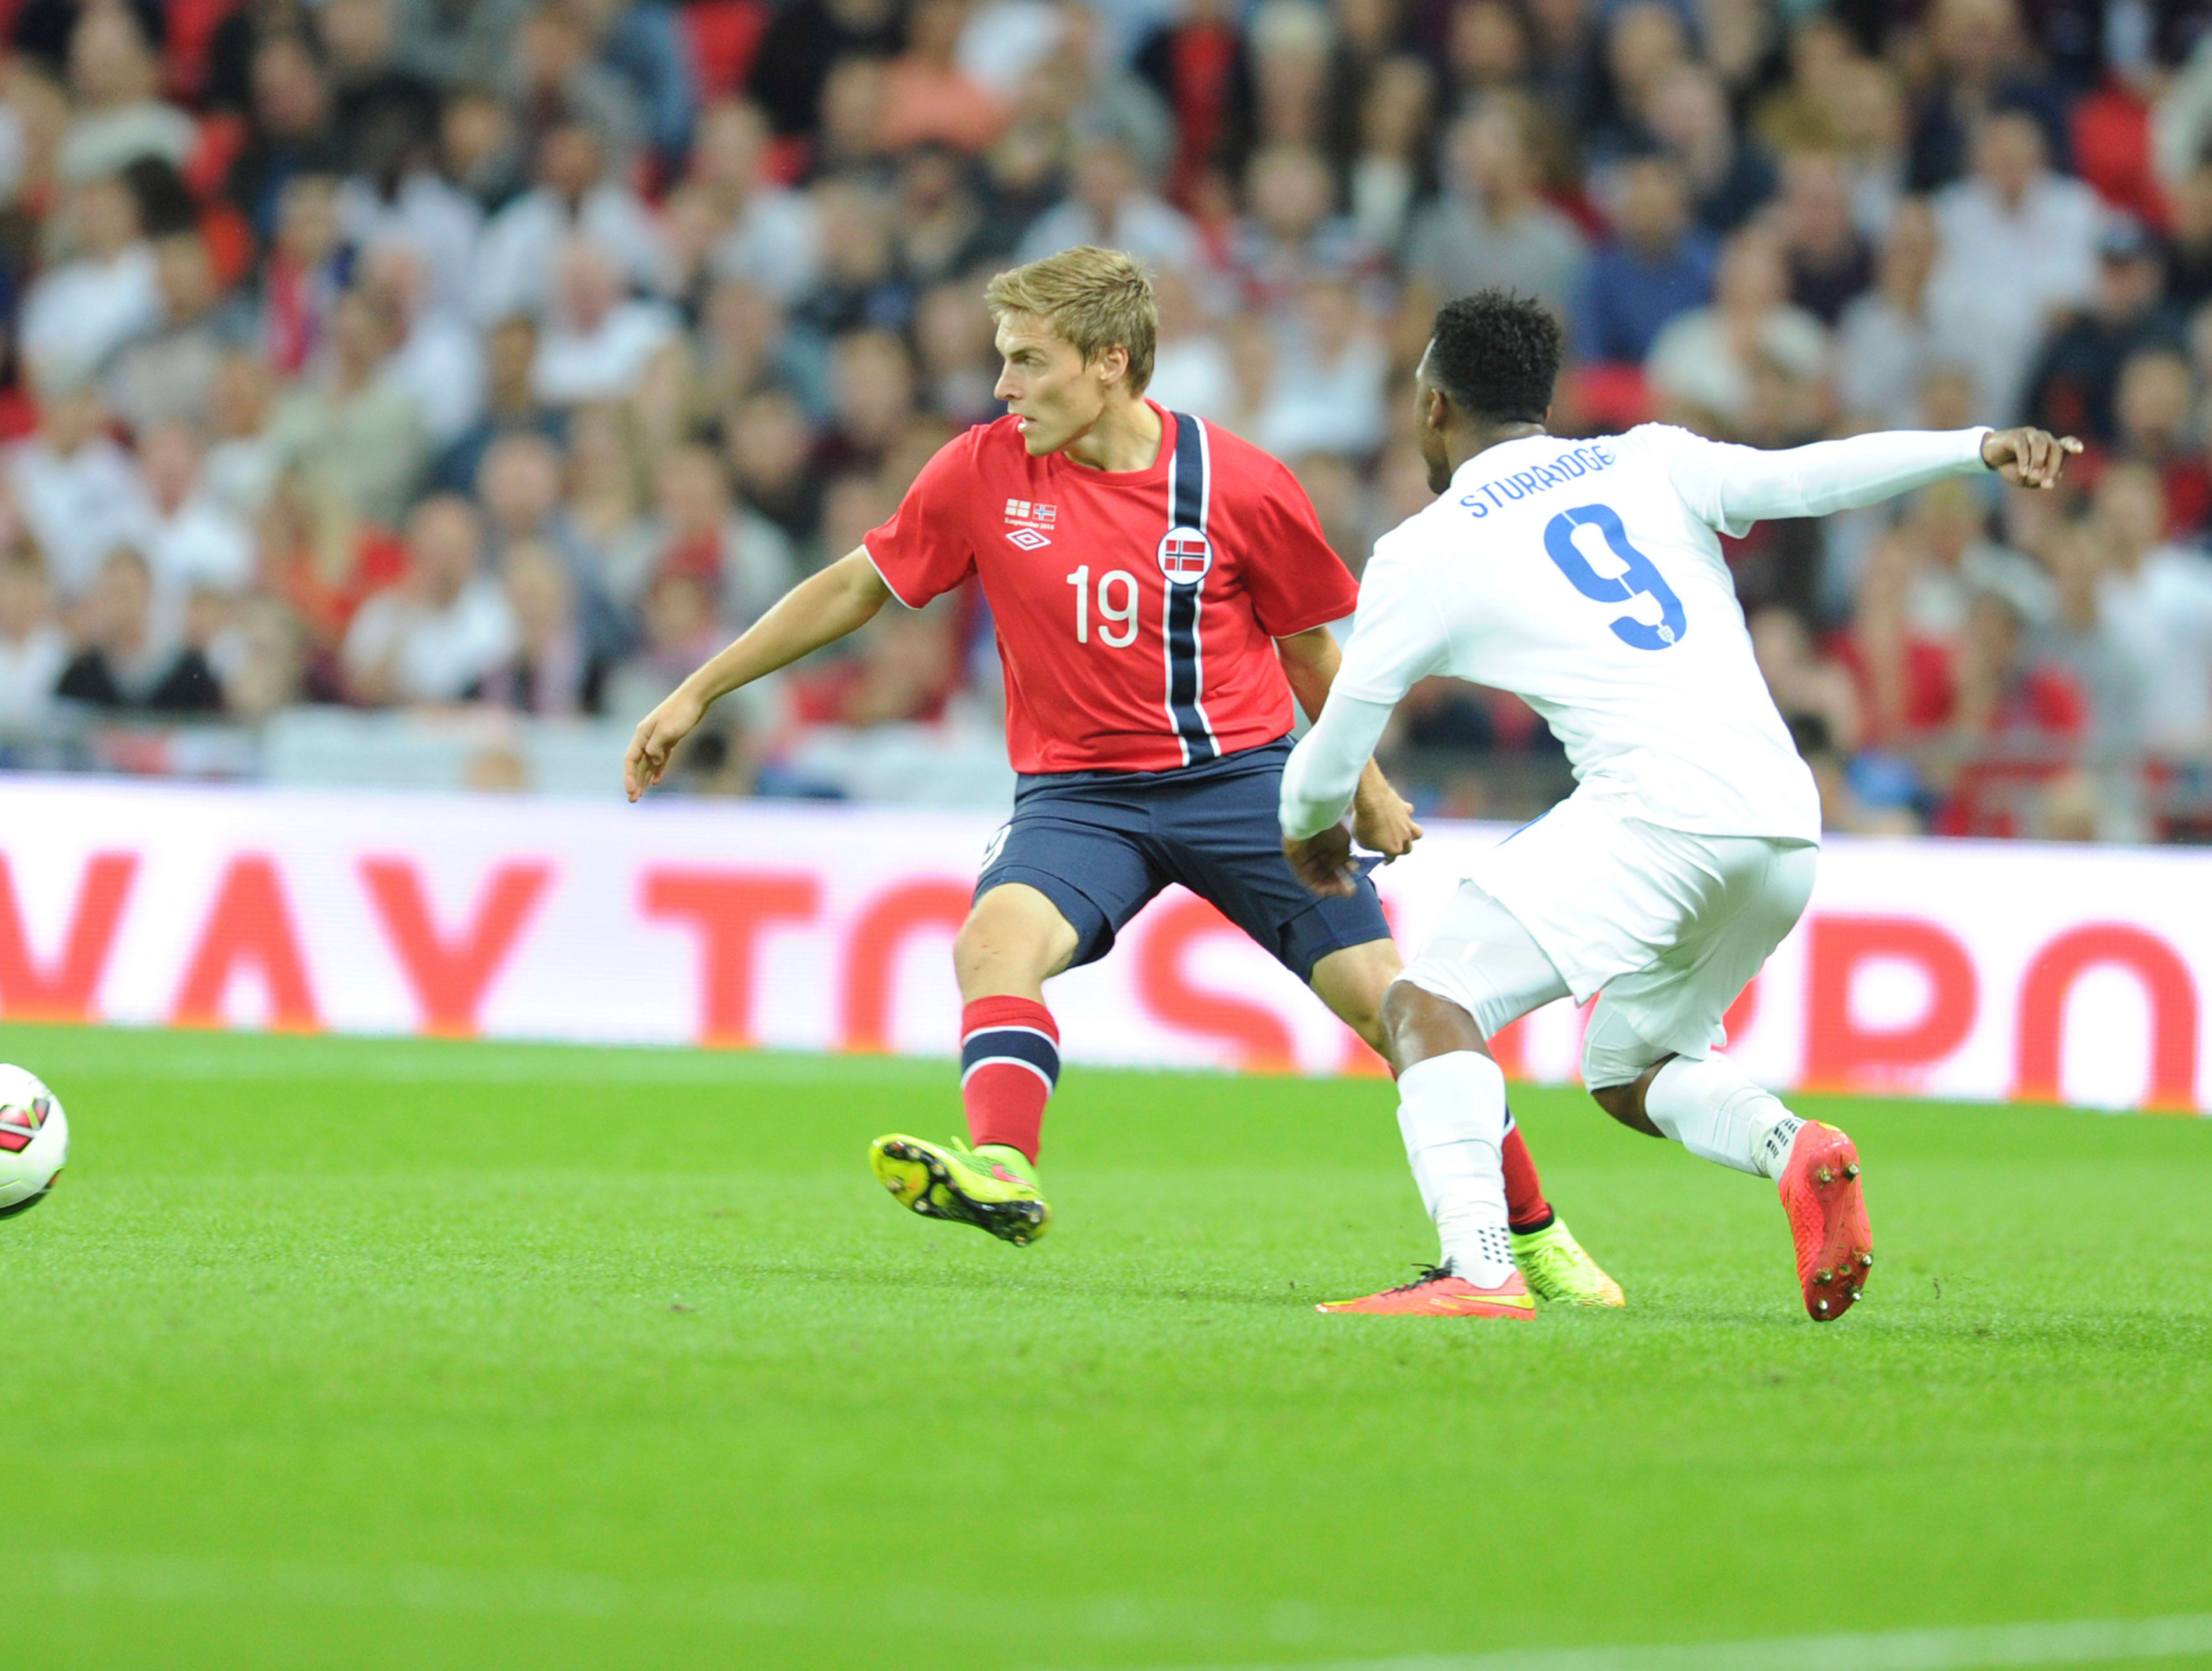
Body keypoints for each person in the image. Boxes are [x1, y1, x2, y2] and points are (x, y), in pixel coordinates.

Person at [625, 247, 1622, 1306]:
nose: (1002, 386)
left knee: (1394, 1008)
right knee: (992, 946)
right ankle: (1003, 1166)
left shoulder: (1239, 483)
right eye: (1003, 360)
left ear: (1109, 362)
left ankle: (1535, 1238)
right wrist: (700, 691)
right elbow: (855, 586)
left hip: (1242, 784)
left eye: (1027, 361)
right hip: (1081, 798)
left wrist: (1364, 784)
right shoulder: (980, 469)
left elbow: (1308, 650)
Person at [1277, 290, 2078, 1321]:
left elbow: (1333, 749)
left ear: (1432, 407)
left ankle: (1476, 1269)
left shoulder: (1424, 549)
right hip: (1780, 821)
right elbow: (1808, 477)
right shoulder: (1645, 457)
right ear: (1542, 399)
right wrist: (1974, 447)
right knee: (1632, 1065)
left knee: (1426, 1005)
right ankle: (1792, 1146)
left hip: (1656, 811)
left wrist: (1311, 831)